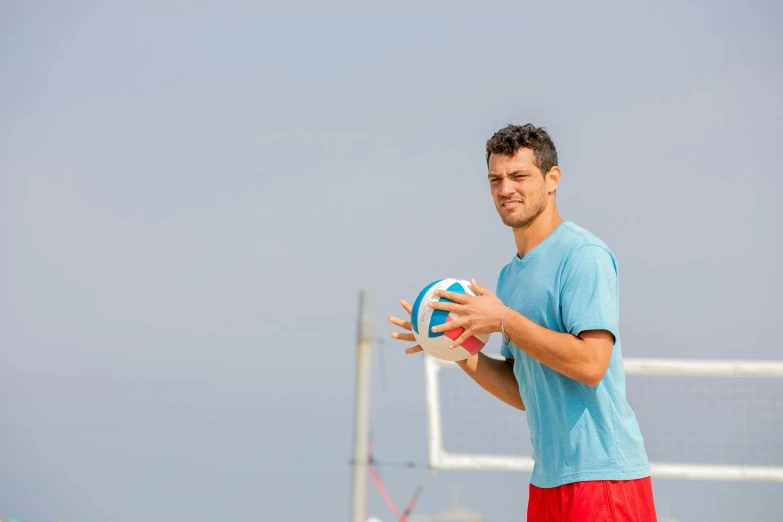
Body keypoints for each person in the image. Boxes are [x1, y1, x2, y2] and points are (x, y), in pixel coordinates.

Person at [388, 124, 657, 521]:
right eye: (495, 179)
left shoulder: (583, 255)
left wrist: (502, 319)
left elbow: (591, 364)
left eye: (518, 176)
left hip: (603, 481)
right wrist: (452, 346)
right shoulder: (508, 277)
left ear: (552, 180)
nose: (505, 189)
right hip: (547, 481)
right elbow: (523, 390)